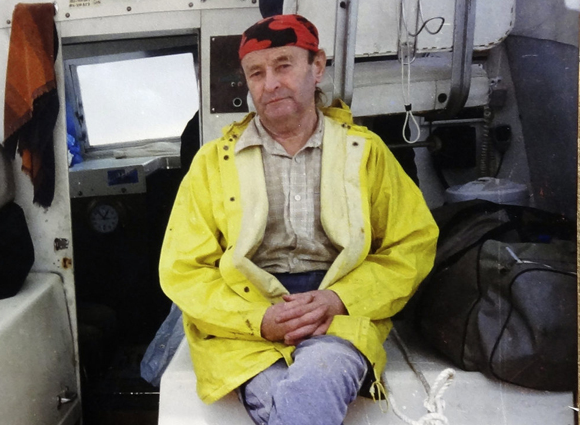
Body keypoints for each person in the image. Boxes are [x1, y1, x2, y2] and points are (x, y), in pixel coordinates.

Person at [159, 14, 439, 425]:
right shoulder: (211, 163)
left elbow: (411, 244)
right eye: (256, 73)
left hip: (339, 315)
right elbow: (184, 269)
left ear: (317, 65)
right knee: (284, 397)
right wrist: (259, 320)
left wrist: (339, 299)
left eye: (283, 66)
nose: (270, 83)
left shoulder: (366, 152)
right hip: (245, 322)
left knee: (319, 377)